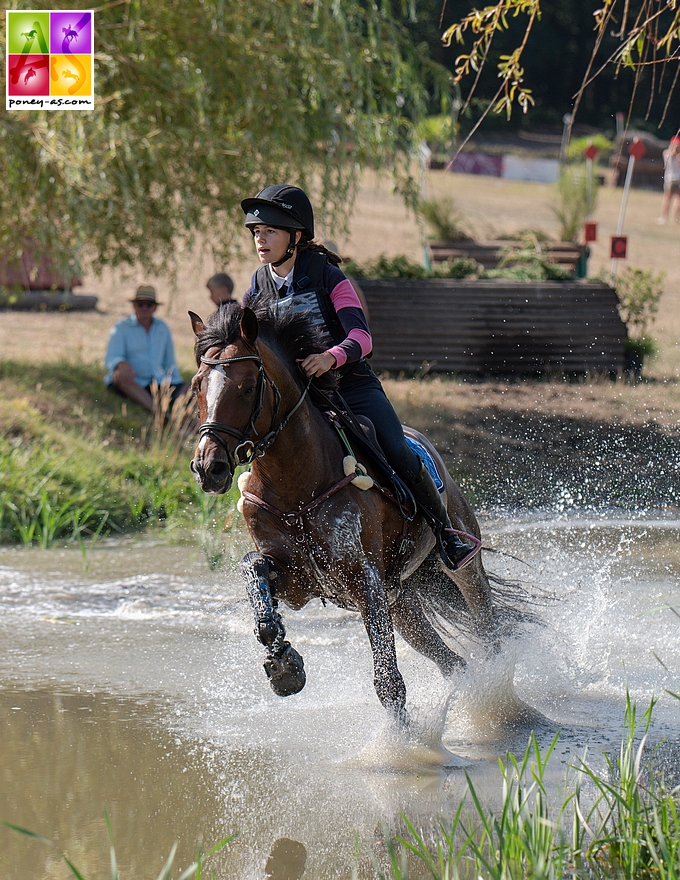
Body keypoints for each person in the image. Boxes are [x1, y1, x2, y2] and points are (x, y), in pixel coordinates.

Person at [240, 184, 480, 571]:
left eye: (270, 231)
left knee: (396, 448)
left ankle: (445, 531)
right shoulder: (257, 285)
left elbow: (362, 338)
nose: (261, 240)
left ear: (295, 237)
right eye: (256, 233)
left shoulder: (329, 276)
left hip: (351, 386)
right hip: (304, 397)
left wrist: (329, 358)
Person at [104, 284, 189, 411]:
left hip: (158, 382)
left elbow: (170, 362)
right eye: (140, 304)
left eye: (149, 304)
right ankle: (157, 412)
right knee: (119, 376)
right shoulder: (121, 327)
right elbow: (112, 357)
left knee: (192, 386)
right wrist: (120, 364)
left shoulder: (162, 328)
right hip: (134, 381)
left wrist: (177, 383)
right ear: (134, 306)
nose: (144, 307)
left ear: (155, 307)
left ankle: (183, 414)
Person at [657, 135, 680, 223]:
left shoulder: (666, 153)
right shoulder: (678, 156)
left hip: (669, 178)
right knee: (678, 199)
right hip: (678, 178)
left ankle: (664, 217)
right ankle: (676, 218)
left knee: (667, 199)